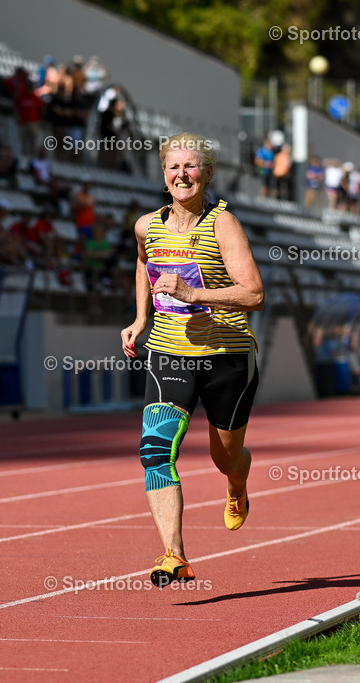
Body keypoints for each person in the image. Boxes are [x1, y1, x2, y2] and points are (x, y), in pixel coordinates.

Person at [120, 132, 264, 587]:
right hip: (169, 351)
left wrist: (193, 293)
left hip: (227, 357)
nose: (182, 175)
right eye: (173, 168)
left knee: (226, 457)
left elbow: (254, 294)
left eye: (190, 167)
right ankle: (173, 554)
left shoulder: (223, 224)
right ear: (164, 176)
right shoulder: (147, 226)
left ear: (206, 174)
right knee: (154, 450)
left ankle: (237, 481)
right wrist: (141, 317)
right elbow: (145, 263)